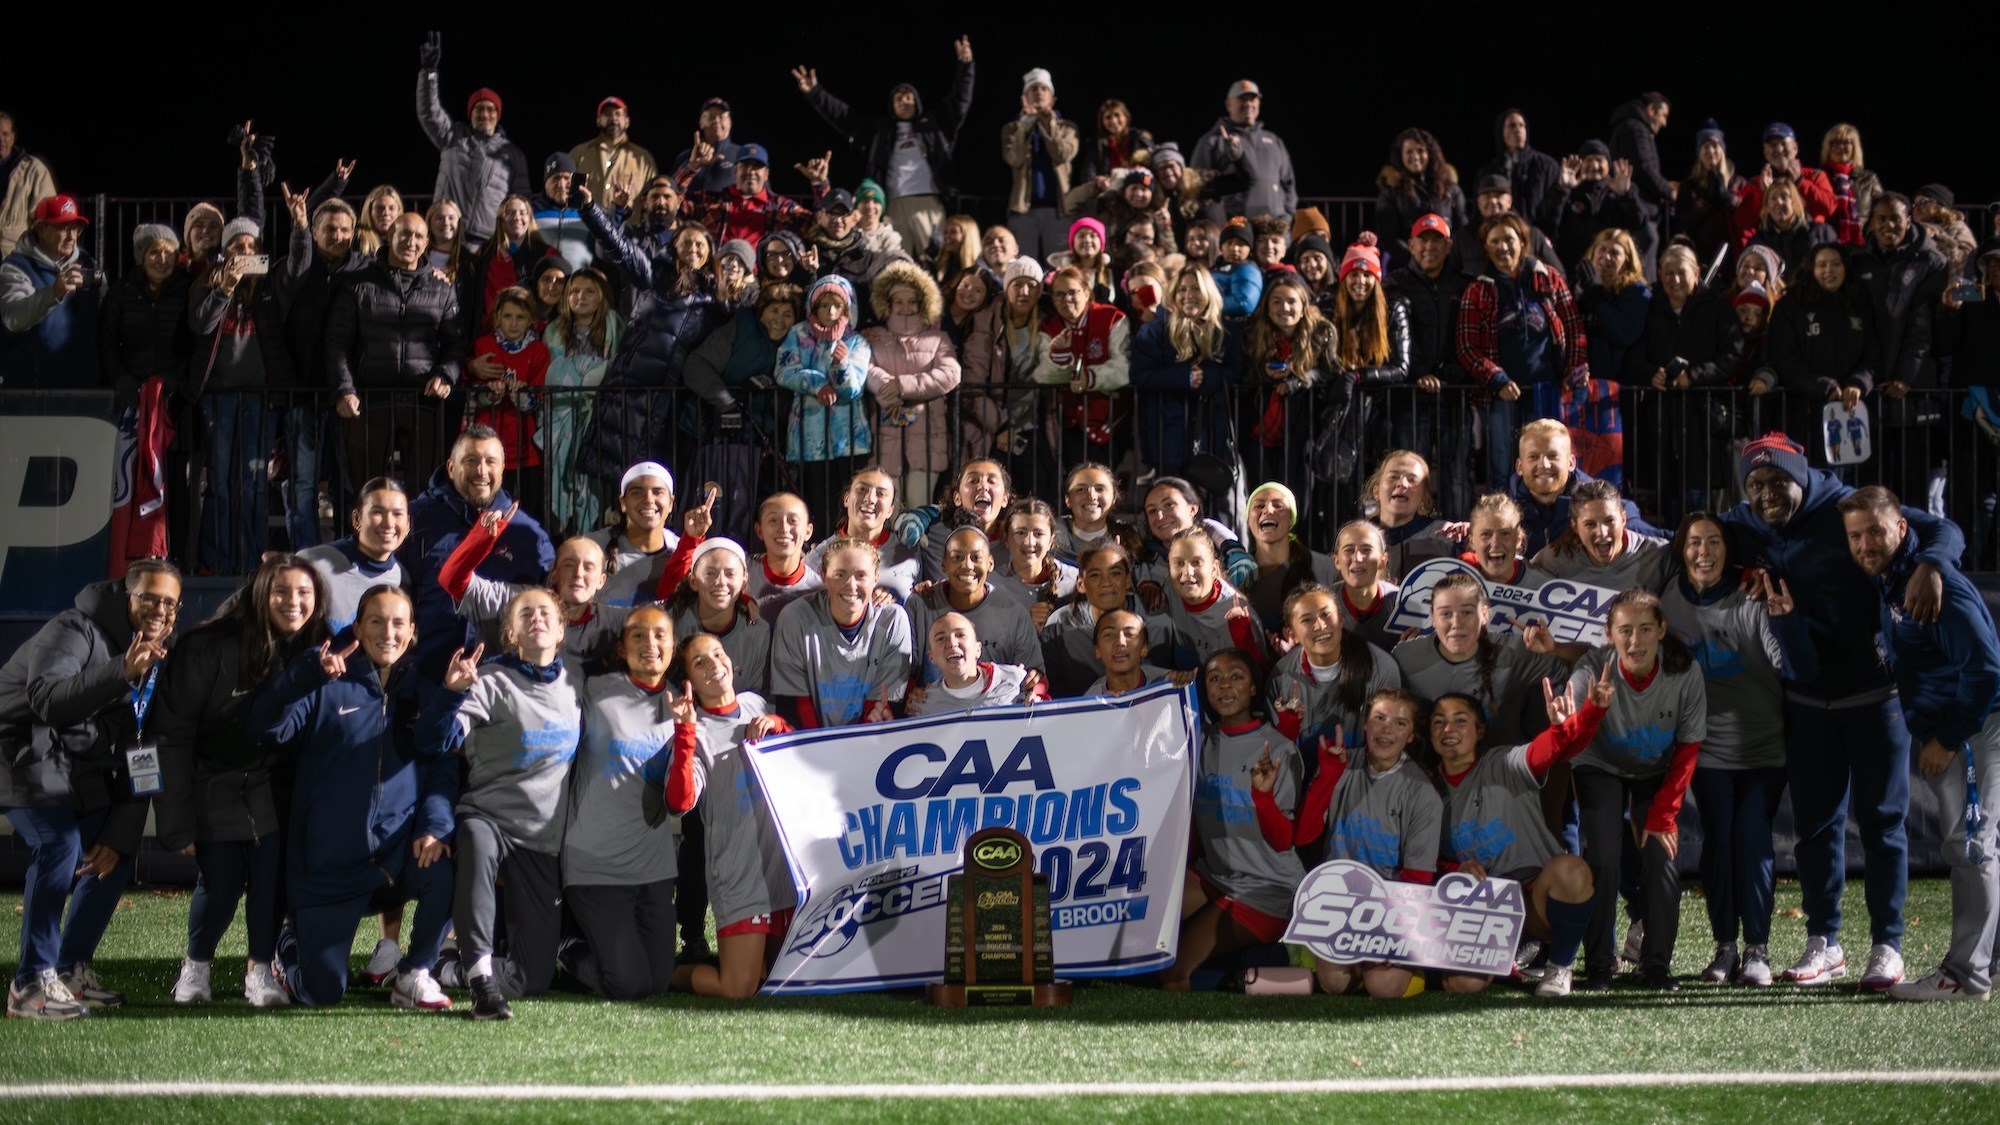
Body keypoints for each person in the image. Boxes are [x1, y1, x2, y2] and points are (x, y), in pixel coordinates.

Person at [1723, 433, 1964, 990]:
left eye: (1775, 482)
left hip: (1875, 697)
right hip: (1806, 702)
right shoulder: (1746, 520)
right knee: (1814, 827)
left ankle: (1887, 944)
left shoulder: (1849, 511)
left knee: (1882, 822)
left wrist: (1931, 564)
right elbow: (1684, 538)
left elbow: (1943, 528)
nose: (1764, 495)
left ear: (1800, 477)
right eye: (1753, 485)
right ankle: (1824, 942)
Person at [251, 585, 457, 1011]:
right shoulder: (327, 683)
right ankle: (288, 944)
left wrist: (434, 824)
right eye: (377, 621)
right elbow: (264, 727)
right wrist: (302, 677)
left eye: (399, 622)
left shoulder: (421, 689)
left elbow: (442, 764)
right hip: (328, 869)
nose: (388, 632)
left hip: (393, 860)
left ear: (412, 631)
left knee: (447, 870)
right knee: (321, 993)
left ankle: (415, 971)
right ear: (358, 629)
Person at [1840, 486, 2000, 1002]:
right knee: (1981, 846)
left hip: (1975, 730)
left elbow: (1986, 671)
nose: (1866, 544)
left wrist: (1950, 739)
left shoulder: (1936, 587)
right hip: (1960, 728)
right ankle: (1989, 964)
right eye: (1856, 536)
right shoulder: (1892, 579)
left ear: (1903, 528)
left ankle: (1966, 975)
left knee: (1970, 846)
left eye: (1876, 532)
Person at [0, 559, 178, 1019]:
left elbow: (146, 747)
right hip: (18, 750)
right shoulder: (75, 628)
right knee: (59, 844)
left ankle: (70, 969)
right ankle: (29, 984)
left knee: (111, 852)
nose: (160, 610)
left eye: (170, 603)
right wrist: (120, 670)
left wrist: (121, 832)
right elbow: (46, 700)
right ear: (127, 596)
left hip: (75, 765)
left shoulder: (157, 653)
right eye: (150, 598)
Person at [154, 556, 329, 1007]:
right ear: (260, 594)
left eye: (303, 593)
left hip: (267, 786)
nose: (294, 602)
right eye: (282, 592)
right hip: (211, 782)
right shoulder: (207, 646)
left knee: (271, 883)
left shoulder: (317, 646)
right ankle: (196, 966)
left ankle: (259, 970)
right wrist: (177, 820)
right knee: (223, 882)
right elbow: (169, 736)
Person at [420, 589, 583, 1021]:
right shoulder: (490, 678)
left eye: (545, 611)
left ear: (562, 628)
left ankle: (448, 966)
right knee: (475, 841)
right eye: (524, 613)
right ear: (510, 631)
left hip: (542, 834)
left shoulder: (576, 684)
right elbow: (439, 740)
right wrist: (450, 695)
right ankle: (480, 982)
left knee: (534, 980)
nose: (536, 618)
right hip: (487, 815)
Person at [1661, 513, 1808, 988]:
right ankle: (1725, 947)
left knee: (1751, 837)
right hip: (1706, 750)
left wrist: (1786, 623)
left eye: (1714, 542)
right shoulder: (1666, 605)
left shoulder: (1753, 597)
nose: (1703, 551)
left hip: (1764, 746)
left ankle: (1757, 950)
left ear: (1729, 549)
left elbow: (1788, 663)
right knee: (1718, 842)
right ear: (1681, 550)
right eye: (1694, 543)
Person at [1428, 676, 1608, 998]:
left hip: (1531, 897)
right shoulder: (1426, 789)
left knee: (1572, 870)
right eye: (1438, 722)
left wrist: (1561, 727)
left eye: (1459, 721)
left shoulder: (1502, 763)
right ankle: (1503, 958)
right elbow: (1419, 857)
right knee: (1462, 985)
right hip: (1479, 908)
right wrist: (1452, 869)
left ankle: (1559, 966)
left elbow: (1541, 753)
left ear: (1479, 731)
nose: (1448, 730)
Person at [1256, 688, 1439, 999]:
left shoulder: (1422, 792)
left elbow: (1417, 879)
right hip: (1337, 904)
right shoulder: (1339, 762)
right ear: (1365, 724)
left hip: (1389, 910)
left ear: (1410, 736)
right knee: (1336, 983)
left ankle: (1421, 972)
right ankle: (1336, 973)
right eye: (1379, 718)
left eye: (1399, 723)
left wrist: (1394, 936)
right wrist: (1328, 776)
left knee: (1383, 988)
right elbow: (1302, 836)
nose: (1386, 730)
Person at [1568, 589, 1705, 990]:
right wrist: (1592, 709)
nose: (1635, 640)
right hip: (1599, 766)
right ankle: (1598, 962)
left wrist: (1663, 816)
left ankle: (1656, 964)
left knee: (1661, 855)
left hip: (1655, 769)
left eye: (1645, 629)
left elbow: (1689, 746)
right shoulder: (1592, 669)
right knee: (1604, 857)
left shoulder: (1684, 671)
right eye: (1624, 630)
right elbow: (1571, 743)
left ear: (1662, 629)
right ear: (1609, 634)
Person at [664, 632, 796, 998]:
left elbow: (800, 754)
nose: (714, 665)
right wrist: (685, 733)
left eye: (717, 655)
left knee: (780, 981)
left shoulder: (755, 703)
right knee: (739, 988)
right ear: (687, 681)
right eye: (700, 662)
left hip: (782, 870)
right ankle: (666, 973)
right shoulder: (696, 732)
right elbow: (680, 802)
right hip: (740, 875)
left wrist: (779, 726)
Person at [1164, 648, 1302, 990]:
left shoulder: (1279, 749)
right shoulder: (1200, 740)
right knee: (1146, 930)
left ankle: (1285, 969)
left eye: (1236, 677)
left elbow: (1283, 839)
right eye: (1214, 678)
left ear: (1254, 688)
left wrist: (1262, 796)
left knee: (1173, 969)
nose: (1225, 685)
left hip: (1266, 887)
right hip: (1216, 873)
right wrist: (1164, 689)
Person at [560, 606, 680, 1001]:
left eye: (660, 635)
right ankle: (564, 944)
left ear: (673, 645)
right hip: (596, 865)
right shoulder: (594, 690)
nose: (650, 644)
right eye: (638, 637)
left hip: (654, 867)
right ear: (621, 648)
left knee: (658, 982)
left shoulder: (682, 703)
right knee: (628, 985)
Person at [401, 425, 555, 681]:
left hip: (505, 676)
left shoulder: (528, 533)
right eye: (471, 461)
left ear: (503, 470)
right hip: (429, 671)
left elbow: (550, 599)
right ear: (451, 468)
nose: (481, 471)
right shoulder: (415, 519)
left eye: (490, 461)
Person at [795, 37, 975, 255]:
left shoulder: (934, 126)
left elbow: (960, 102)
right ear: (892, 105)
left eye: (908, 96)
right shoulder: (882, 131)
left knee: (936, 260)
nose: (903, 100)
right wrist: (815, 93)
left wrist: (966, 67)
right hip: (893, 204)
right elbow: (844, 117)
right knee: (895, 259)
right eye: (898, 98)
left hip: (929, 201)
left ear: (916, 102)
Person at [326, 212, 464, 480]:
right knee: (364, 489)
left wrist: (445, 374)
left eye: (418, 236)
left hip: (423, 402)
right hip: (368, 401)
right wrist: (344, 389)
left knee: (425, 492)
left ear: (427, 243)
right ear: (390, 236)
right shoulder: (357, 284)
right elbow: (337, 342)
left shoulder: (443, 288)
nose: (410, 241)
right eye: (404, 233)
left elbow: (455, 342)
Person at [1457, 213, 1590, 490]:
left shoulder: (1548, 278)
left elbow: (1574, 327)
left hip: (1546, 390)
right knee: (1503, 468)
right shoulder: (1478, 288)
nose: (1502, 246)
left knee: (1548, 466)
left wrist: (1574, 371)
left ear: (1523, 242)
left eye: (1509, 239)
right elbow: (1467, 346)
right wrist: (1497, 379)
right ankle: (1501, 529)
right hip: (1501, 397)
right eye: (1495, 241)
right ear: (1485, 246)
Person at [1393, 572, 1570, 749]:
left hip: (1502, 769)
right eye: (1446, 613)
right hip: (1433, 770)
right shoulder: (1406, 657)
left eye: (1467, 612)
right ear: (1432, 617)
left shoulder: (1516, 652)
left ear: (1484, 615)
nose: (1456, 623)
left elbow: (1578, 668)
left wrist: (1555, 649)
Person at [768, 536, 913, 728]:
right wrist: (823, 746)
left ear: (876, 578)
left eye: (861, 575)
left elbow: (886, 702)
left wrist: (852, 745)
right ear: (823, 576)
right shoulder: (795, 617)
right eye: (840, 575)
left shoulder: (892, 620)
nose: (851, 585)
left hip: (869, 738)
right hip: (810, 740)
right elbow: (793, 701)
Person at [1388, 214, 1473, 515]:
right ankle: (1412, 535)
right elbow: (1391, 337)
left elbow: (1469, 335)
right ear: (1411, 244)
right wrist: (1417, 373)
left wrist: (1457, 370)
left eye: (1437, 241)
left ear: (1448, 246)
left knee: (1457, 474)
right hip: (1410, 396)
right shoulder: (1394, 283)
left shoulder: (1463, 284)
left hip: (1453, 395)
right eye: (1423, 240)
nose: (1429, 247)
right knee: (1411, 474)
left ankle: (1459, 543)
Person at [414, 32, 530, 248]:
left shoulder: (512, 153)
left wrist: (516, 241)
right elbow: (430, 113)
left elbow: (522, 200)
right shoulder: (453, 137)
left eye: (490, 109)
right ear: (470, 114)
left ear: (498, 114)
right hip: (447, 233)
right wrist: (429, 72)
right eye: (478, 109)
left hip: (487, 241)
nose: (484, 114)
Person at [775, 274, 873, 529]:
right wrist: (817, 385)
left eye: (836, 306)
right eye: (824, 305)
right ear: (813, 307)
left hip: (848, 440)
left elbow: (854, 388)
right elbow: (784, 371)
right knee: (815, 505)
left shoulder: (856, 342)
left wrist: (841, 365)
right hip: (809, 438)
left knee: (849, 504)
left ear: (846, 309)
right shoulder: (798, 334)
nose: (829, 311)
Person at [1267, 584, 1402, 766]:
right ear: (1291, 634)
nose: (1320, 626)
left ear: (1340, 618)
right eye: (1307, 620)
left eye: (1326, 614)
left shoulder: (1381, 668)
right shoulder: (1280, 676)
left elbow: (1389, 744)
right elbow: (1277, 751)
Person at [1768, 245, 1877, 468]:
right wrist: (1823, 386)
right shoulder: (1790, 306)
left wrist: (1859, 383)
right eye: (1822, 264)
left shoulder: (1860, 306)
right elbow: (1784, 357)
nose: (1829, 270)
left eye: (1836, 264)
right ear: (1811, 268)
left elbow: (1873, 356)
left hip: (1851, 416)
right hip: (1803, 415)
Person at [865, 260, 961, 508]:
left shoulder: (938, 338)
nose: (905, 307)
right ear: (888, 303)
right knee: (889, 509)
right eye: (899, 301)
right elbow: (866, 370)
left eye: (912, 301)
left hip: (928, 437)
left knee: (919, 508)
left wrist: (903, 385)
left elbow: (951, 373)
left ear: (923, 303)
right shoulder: (875, 338)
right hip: (887, 436)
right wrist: (889, 392)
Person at [1131, 265, 1237, 479]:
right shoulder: (1154, 330)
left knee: (1207, 506)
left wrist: (1207, 378)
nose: (1188, 295)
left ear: (1208, 291)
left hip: (1211, 433)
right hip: (1167, 435)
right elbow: (1139, 375)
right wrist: (1184, 377)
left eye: (1196, 288)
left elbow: (1235, 372)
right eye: (1182, 290)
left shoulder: (1225, 331)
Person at [542, 268, 626, 536]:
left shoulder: (614, 323)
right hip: (562, 417)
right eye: (575, 291)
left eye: (589, 291)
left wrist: (585, 374)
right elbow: (553, 373)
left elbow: (618, 370)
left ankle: (593, 537)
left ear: (602, 295)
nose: (581, 296)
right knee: (563, 482)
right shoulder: (554, 329)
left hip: (600, 417)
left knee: (593, 485)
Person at [905, 527, 1045, 681]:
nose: (967, 565)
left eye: (976, 557)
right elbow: (903, 673)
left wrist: (1034, 684)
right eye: (957, 557)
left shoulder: (1014, 613)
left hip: (995, 704)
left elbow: (1035, 676)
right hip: (935, 703)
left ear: (990, 563)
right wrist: (913, 693)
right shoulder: (919, 604)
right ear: (944, 564)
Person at [1568, 229, 1648, 486]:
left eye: (1615, 252)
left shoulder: (1637, 291)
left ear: (1628, 258)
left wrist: (1596, 294)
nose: (1606, 257)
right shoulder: (1580, 291)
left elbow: (1623, 332)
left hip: (1619, 396)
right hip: (1584, 392)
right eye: (1601, 250)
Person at [1508, 418, 1657, 556]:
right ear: (1519, 466)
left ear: (1571, 463)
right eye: (1533, 457)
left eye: (1553, 456)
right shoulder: (1505, 513)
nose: (1544, 465)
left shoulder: (1600, 505)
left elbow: (1661, 541)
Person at [1033, 265, 1132, 472]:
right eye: (1059, 294)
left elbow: (1124, 369)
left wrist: (1089, 378)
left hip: (1113, 423)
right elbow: (1042, 374)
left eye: (1072, 292)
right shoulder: (1048, 329)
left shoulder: (1112, 318)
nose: (1066, 299)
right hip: (1069, 427)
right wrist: (1061, 358)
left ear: (1086, 293)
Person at [0, 194, 98, 388]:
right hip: (31, 389)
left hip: (83, 388)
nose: (72, 236)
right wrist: (53, 293)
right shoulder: (15, 267)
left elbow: (105, 314)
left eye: (75, 228)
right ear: (42, 229)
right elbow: (15, 318)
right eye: (63, 228)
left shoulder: (88, 264)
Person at [299, 477, 410, 635]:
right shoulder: (313, 562)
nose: (389, 523)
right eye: (378, 512)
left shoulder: (402, 580)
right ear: (357, 519)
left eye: (397, 514)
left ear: (408, 524)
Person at [675, 142, 828, 251]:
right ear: (734, 171)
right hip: (715, 281)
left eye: (757, 167)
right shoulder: (709, 201)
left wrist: (819, 184)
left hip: (760, 287)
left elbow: (822, 223)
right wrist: (692, 168)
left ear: (766, 174)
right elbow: (672, 203)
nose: (750, 171)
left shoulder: (782, 208)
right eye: (745, 166)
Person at [664, 538, 769, 696]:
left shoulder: (759, 632)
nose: (720, 582)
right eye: (710, 573)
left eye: (730, 574)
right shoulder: (668, 622)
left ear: (744, 580)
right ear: (693, 580)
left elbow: (760, 697)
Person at [1530, 478, 1671, 592]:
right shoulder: (1553, 560)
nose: (1602, 533)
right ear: (1575, 527)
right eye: (1590, 524)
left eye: (1609, 521)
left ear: (1623, 519)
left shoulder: (1658, 555)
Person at [808, 467, 924, 603]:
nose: (870, 499)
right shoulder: (818, 558)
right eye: (862, 489)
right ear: (846, 499)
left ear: (890, 510)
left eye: (881, 493)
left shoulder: (908, 552)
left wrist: (896, 600)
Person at [1190, 80, 1296, 223]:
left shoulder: (1274, 141)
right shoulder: (1212, 141)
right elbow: (1196, 185)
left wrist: (1287, 216)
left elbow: (1289, 184)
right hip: (1233, 227)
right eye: (1242, 99)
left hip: (1273, 227)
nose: (1248, 104)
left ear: (1259, 103)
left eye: (1252, 99)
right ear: (1228, 104)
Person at [1001, 68, 1078, 260]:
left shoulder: (1067, 128)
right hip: (1024, 210)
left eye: (1044, 88)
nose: (1039, 92)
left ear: (1052, 98)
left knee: (1059, 268)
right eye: (1033, 89)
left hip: (1059, 209)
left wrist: (1047, 125)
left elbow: (1063, 154)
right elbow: (1014, 158)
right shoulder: (1012, 128)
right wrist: (1024, 126)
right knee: (1026, 267)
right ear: (1024, 97)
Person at [1239, 482, 1335, 634]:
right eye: (1259, 506)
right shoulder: (1237, 572)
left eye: (1278, 505)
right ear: (1248, 518)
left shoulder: (1324, 567)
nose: (1268, 510)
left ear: (1291, 519)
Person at [905, 612, 1047, 715]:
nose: (952, 643)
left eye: (960, 635)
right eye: (941, 638)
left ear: (978, 649)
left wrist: (1040, 707)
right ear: (931, 657)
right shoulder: (922, 706)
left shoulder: (1015, 681)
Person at [1552, 143, 1653, 277]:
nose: (1594, 166)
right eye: (1588, 160)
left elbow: (1640, 222)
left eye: (1599, 160)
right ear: (1580, 164)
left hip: (1612, 270)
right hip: (1572, 270)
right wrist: (1562, 190)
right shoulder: (1569, 191)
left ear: (1609, 164)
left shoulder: (1620, 189)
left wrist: (1625, 195)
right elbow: (1548, 220)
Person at [1731, 123, 1836, 245]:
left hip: (1811, 247)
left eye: (1783, 143)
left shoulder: (1815, 176)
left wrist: (1800, 181)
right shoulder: (1756, 182)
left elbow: (1829, 208)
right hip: (1773, 249)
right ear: (1765, 152)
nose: (1779, 149)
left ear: (1795, 148)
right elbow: (1742, 222)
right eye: (1772, 145)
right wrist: (1762, 193)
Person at [1373, 128, 1467, 251]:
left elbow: (1462, 229)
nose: (1415, 156)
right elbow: (1388, 237)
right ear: (1400, 155)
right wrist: (1418, 259)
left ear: (1430, 153)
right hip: (1404, 264)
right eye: (1409, 152)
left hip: (1446, 263)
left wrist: (1447, 258)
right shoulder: (1391, 191)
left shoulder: (1450, 188)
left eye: (1420, 150)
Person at [1455, 175, 1561, 280]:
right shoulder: (1462, 238)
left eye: (1498, 195)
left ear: (1509, 201)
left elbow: (1558, 275)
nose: (1492, 201)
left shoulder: (1531, 234)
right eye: (1487, 196)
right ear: (1478, 202)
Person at [1478, 109, 1564, 236]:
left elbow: (1555, 210)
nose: (1517, 129)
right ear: (1501, 132)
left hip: (1538, 237)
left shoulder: (1546, 166)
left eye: (1521, 125)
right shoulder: (1488, 171)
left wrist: (1562, 187)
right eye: (1512, 125)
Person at [569, 96, 657, 219]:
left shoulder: (643, 159)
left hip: (627, 232)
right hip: (584, 229)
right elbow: (564, 192)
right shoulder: (579, 153)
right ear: (598, 120)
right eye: (607, 114)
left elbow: (653, 196)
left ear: (627, 121)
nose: (613, 118)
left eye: (618, 114)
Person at [991, 498, 1078, 621]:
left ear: (1051, 541)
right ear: (1006, 539)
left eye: (1038, 534)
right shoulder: (991, 584)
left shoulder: (1074, 580)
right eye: (1021, 533)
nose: (1029, 542)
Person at [1673, 120, 1743, 264]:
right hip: (1701, 254)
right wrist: (1706, 202)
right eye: (1705, 146)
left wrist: (1727, 197)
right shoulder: (1689, 186)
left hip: (1734, 253)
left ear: (1722, 150)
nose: (1710, 151)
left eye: (1715, 146)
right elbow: (1682, 221)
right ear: (1699, 153)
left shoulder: (1738, 182)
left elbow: (1747, 214)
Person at [748, 493, 823, 621]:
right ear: (759, 530)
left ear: (808, 531)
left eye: (793, 521)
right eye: (773, 520)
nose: (783, 528)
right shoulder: (738, 575)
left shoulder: (819, 593)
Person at [1606, 93, 1672, 236]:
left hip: (1638, 209)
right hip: (1639, 212)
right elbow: (1644, 167)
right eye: (1664, 115)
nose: (1664, 123)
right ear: (1652, 109)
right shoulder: (1636, 129)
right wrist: (1669, 191)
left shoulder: (1633, 127)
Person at [1747, 179, 1837, 281]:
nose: (1779, 202)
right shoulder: (1759, 243)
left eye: (1784, 197)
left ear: (1795, 202)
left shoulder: (1821, 233)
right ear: (1767, 207)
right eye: (1773, 198)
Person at [0, 112, 58, 256]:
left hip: (14, 258)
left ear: (14, 137)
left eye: (5, 134)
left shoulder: (34, 170)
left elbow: (47, 220)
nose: (0, 139)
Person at [1819, 124, 1877, 249]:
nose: (1840, 147)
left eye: (1846, 142)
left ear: (1854, 147)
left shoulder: (1869, 179)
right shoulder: (1818, 177)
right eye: (1835, 142)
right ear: (1827, 147)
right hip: (1826, 246)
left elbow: (1882, 210)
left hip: (1862, 247)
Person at [672, 98, 745, 197]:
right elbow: (669, 194)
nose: (716, 120)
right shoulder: (685, 158)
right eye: (710, 116)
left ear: (730, 122)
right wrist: (692, 166)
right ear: (701, 122)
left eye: (722, 116)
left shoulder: (743, 155)